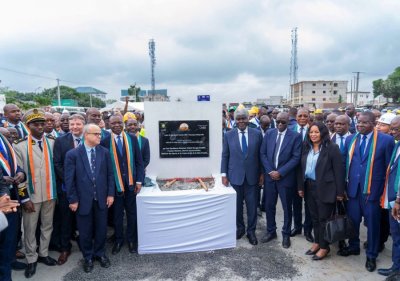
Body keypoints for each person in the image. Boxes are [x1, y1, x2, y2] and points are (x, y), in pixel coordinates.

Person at [340, 111, 394, 272]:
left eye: (364, 122)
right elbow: (345, 164)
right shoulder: (351, 139)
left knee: (373, 225)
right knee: (353, 222)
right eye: (358, 122)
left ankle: (371, 255)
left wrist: (384, 193)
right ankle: (354, 246)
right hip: (353, 191)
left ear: (373, 122)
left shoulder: (386, 140)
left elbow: (388, 169)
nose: (360, 125)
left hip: (373, 191)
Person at [64, 124, 115, 273]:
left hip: (101, 199)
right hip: (82, 200)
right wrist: (72, 199)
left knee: (101, 228)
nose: (100, 136)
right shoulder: (72, 154)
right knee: (85, 231)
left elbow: (110, 175)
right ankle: (88, 257)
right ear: (86, 135)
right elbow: (69, 180)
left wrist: (110, 194)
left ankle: (100, 253)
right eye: (96, 134)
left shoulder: (104, 152)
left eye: (100, 134)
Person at [14, 108, 58, 278]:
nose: (40, 127)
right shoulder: (19, 145)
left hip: (50, 193)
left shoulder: (53, 142)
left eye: (42, 123)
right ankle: (31, 259)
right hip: (31, 195)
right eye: (36, 124)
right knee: (30, 228)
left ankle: (43, 254)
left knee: (47, 225)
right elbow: (19, 174)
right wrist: (24, 198)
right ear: (28, 126)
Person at [297, 122, 345, 260]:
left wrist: (340, 193)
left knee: (324, 219)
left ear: (323, 133)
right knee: (314, 218)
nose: (313, 134)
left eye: (316, 132)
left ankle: (325, 247)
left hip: (326, 188)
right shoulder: (306, 147)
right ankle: (317, 242)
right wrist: (300, 187)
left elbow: (339, 172)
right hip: (309, 186)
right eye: (311, 132)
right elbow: (301, 169)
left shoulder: (332, 148)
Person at [101, 115, 144, 255]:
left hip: (131, 185)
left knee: (132, 214)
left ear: (123, 124)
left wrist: (139, 181)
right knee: (117, 215)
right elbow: (104, 167)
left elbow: (139, 161)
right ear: (109, 124)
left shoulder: (132, 139)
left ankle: (131, 240)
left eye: (119, 122)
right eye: (113, 123)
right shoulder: (105, 141)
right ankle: (119, 240)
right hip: (115, 186)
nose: (117, 125)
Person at [221, 108, 263, 245]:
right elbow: (225, 155)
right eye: (238, 119)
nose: (241, 121)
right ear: (235, 120)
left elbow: (261, 156)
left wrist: (262, 173)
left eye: (243, 118)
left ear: (248, 119)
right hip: (235, 177)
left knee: (252, 207)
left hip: (252, 177)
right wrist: (224, 174)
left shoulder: (257, 134)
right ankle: (240, 229)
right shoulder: (228, 135)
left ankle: (251, 232)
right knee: (237, 207)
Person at [260, 112, 302, 249]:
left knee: (286, 208)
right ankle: (271, 231)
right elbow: (263, 154)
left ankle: (286, 234)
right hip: (270, 177)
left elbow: (296, 158)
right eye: (277, 121)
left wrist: (280, 172)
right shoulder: (269, 134)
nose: (279, 124)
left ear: (288, 122)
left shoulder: (295, 137)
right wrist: (270, 171)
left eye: (283, 122)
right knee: (269, 206)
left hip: (285, 178)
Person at [52, 114, 86, 265]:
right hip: (67, 187)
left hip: (87, 188)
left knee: (85, 218)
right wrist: (70, 180)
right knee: (66, 219)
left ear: (84, 124)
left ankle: (86, 246)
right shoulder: (60, 141)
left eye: (78, 124)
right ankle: (65, 248)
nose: (74, 127)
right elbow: (57, 164)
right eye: (72, 124)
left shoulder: (90, 139)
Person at [379, 116, 400, 278]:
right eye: (391, 128)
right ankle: (396, 266)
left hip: (397, 201)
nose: (392, 132)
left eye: (396, 129)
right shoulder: (397, 145)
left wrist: (398, 200)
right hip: (392, 198)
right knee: (397, 237)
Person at [291, 108, 313, 243]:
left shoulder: (314, 130)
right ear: (296, 117)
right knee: (296, 202)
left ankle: (308, 230)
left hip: (309, 172)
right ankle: (297, 226)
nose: (303, 118)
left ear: (309, 117)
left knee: (309, 203)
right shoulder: (290, 129)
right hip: (294, 172)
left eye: (305, 116)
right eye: (300, 116)